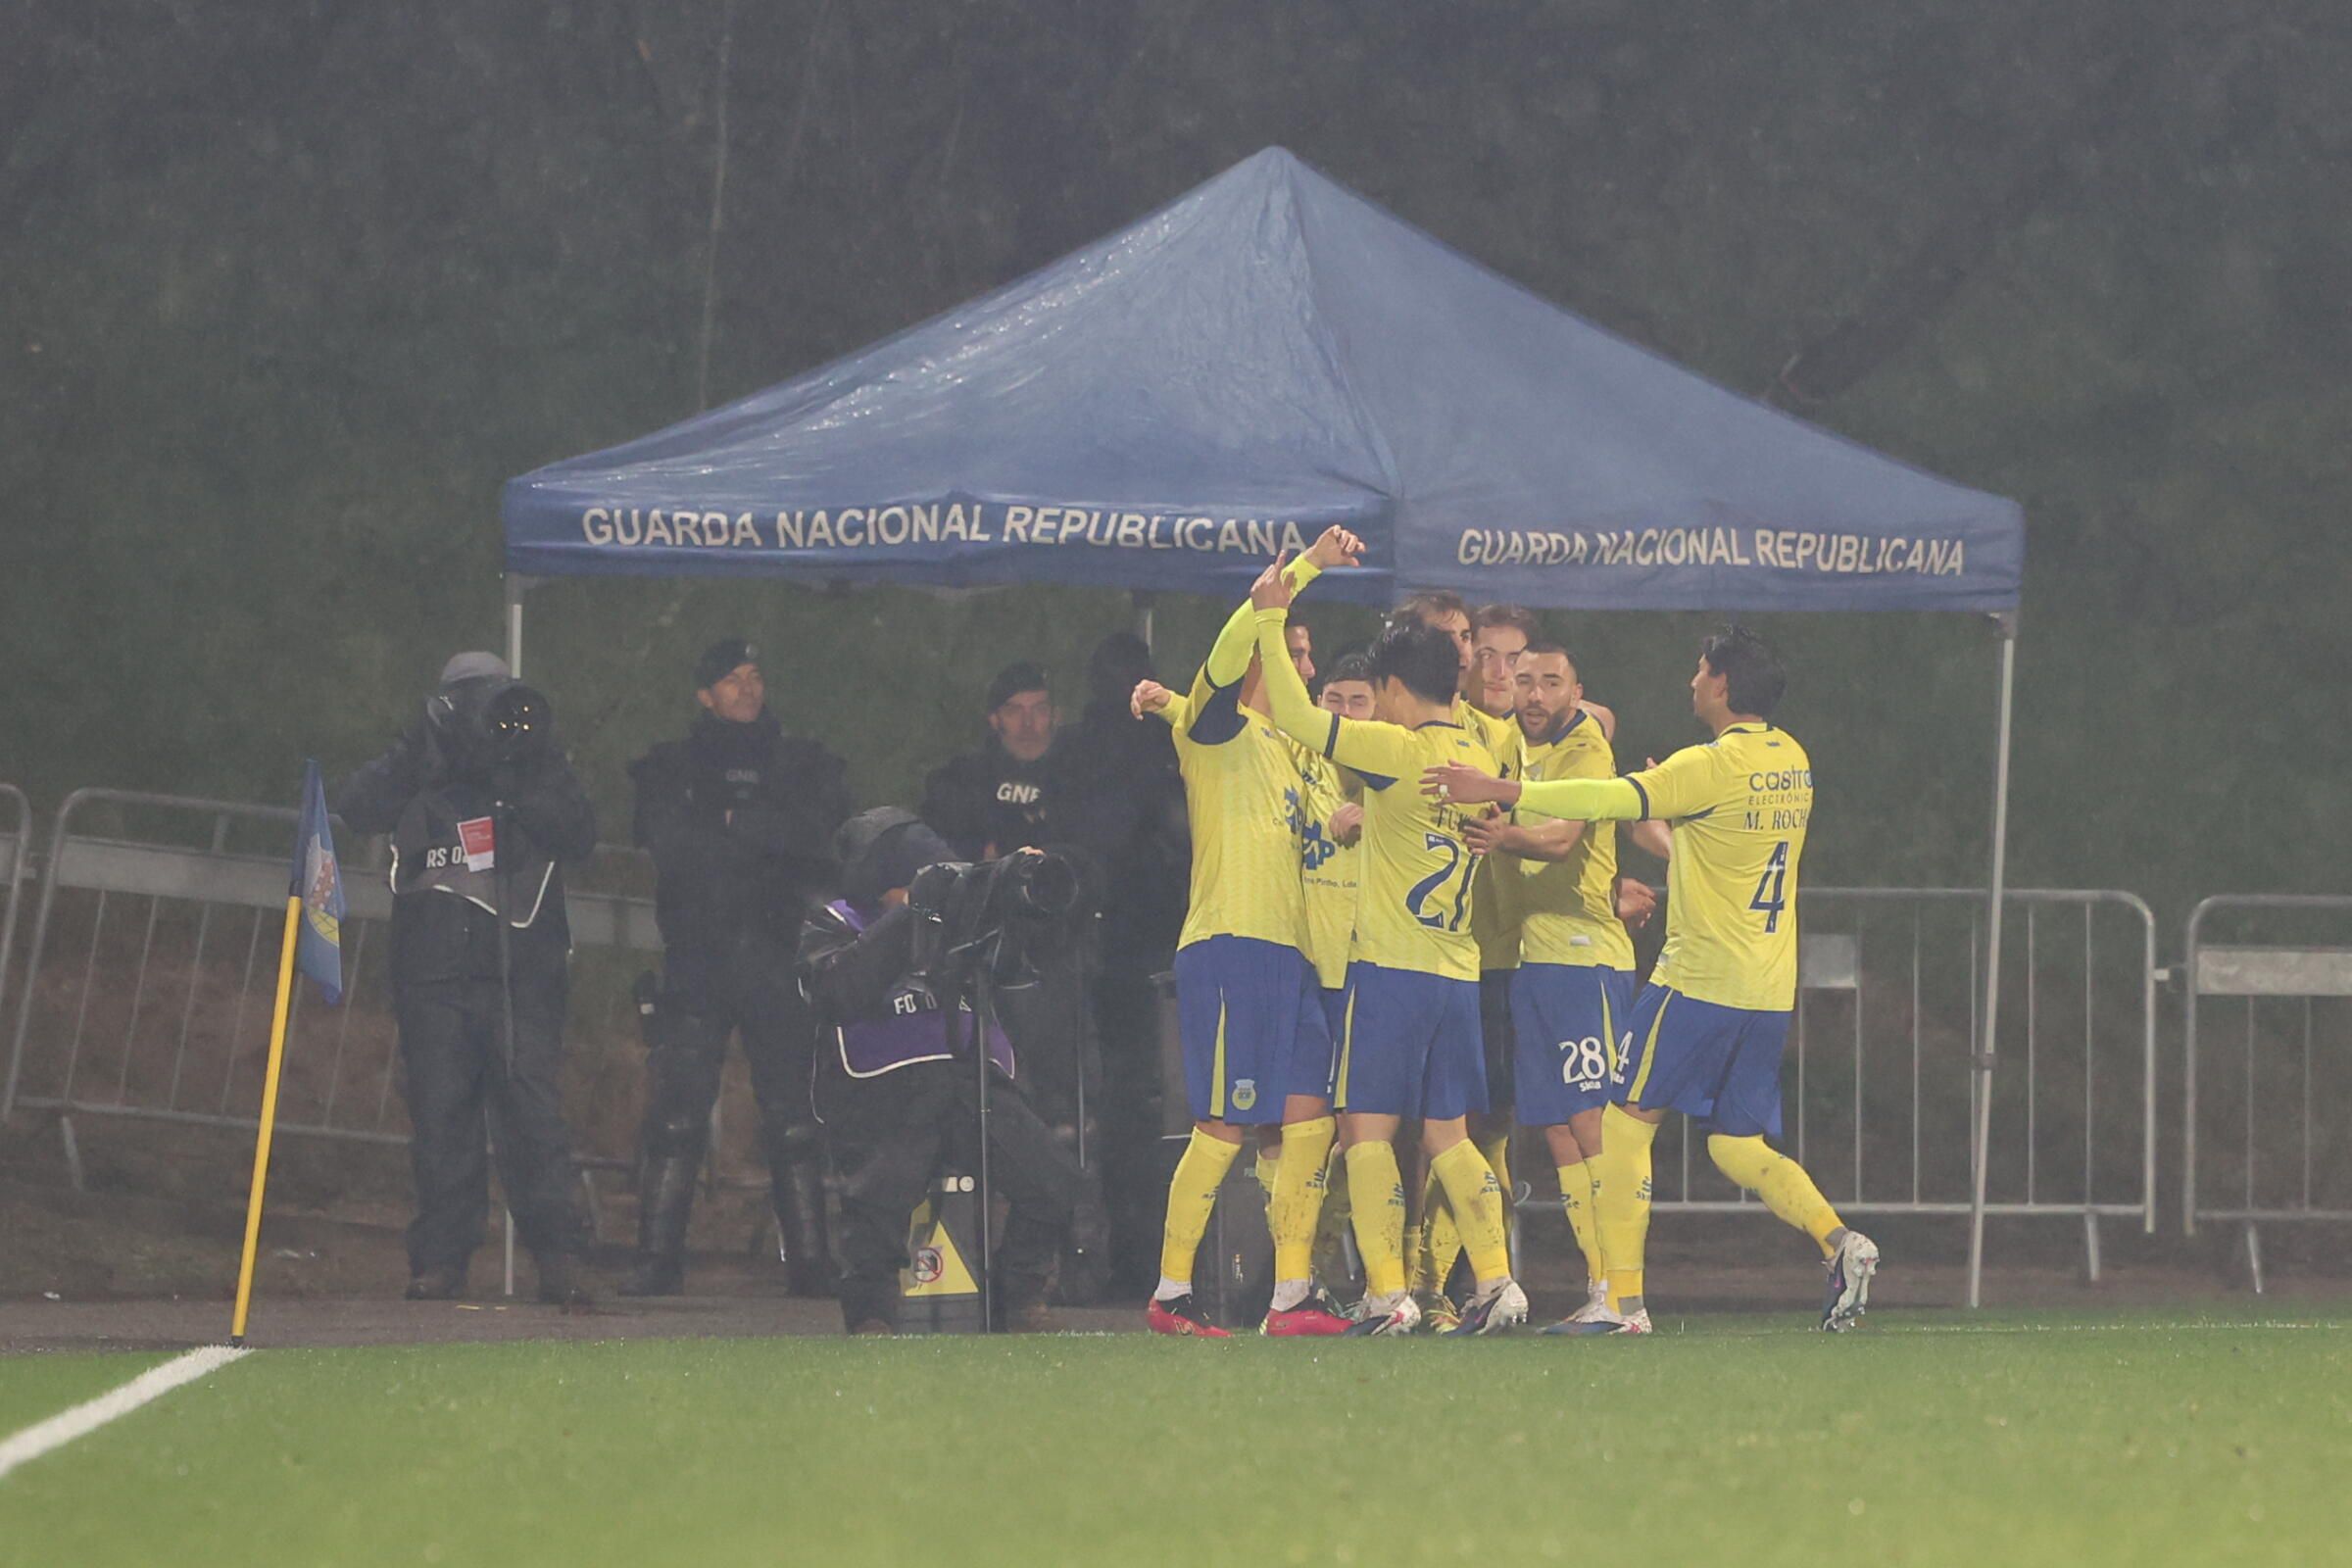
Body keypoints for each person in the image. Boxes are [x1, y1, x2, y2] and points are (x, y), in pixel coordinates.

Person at [1423, 625, 1881, 1334]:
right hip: (1766, 984)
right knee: (1736, 1143)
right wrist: (1665, 832)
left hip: (1698, 978)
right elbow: (1710, 839)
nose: (1691, 682)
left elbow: (1605, 799)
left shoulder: (1710, 764)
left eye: (1700, 672)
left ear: (1723, 684)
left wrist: (1497, 788)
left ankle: (1623, 1303)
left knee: (1622, 1124)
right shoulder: (1793, 758)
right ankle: (1840, 1243)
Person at [1250, 561, 1530, 1337]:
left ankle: (1386, 1296)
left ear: (1398, 689)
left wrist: (1272, 621)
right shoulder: (1474, 759)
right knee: (1448, 1133)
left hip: (1392, 970)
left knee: (1365, 1130)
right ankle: (1499, 1281)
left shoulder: (1396, 750)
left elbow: (1304, 726)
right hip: (1456, 972)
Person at [1132, 527, 1365, 1338]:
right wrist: (1296, 580)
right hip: (1230, 944)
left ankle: (1291, 1295)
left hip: (1292, 953)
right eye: (1294, 650)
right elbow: (1229, 655)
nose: (1307, 666)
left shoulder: (1301, 752)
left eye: (1308, 653)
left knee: (1309, 1120)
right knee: (1225, 1125)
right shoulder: (1216, 726)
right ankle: (1170, 1294)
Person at [336, 652, 597, 1307]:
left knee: (532, 1115)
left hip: (521, 971)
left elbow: (578, 831)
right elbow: (357, 806)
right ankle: (441, 1263)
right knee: (441, 1119)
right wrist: (424, 751)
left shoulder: (537, 760)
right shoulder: (422, 759)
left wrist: (515, 771)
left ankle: (559, 1258)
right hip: (432, 971)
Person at [620, 638, 855, 1297]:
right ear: (705, 695)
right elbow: (671, 845)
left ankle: (810, 1262)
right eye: (731, 680)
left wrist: (737, 826)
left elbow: (821, 839)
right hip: (698, 957)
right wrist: (757, 835)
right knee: (676, 1117)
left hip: (779, 957)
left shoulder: (802, 761)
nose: (748, 688)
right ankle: (657, 1260)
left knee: (794, 1119)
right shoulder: (673, 765)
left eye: (755, 676)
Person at [799, 808, 1085, 1334]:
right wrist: (910, 917)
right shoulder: (835, 922)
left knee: (1054, 1180)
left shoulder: (964, 923)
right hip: (885, 1092)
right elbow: (837, 993)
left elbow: (1027, 971)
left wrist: (1012, 893)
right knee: (879, 1195)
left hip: (968, 1082)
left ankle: (1018, 1297)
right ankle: (871, 1315)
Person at [1458, 641, 1636, 1329]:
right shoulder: (1525, 748)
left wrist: (1500, 836)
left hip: (1584, 955)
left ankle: (1622, 1290)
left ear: (1575, 689)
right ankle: (1604, 1285)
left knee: (1592, 1126)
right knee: (1561, 1130)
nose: (1534, 695)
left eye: (1550, 683)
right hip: (1539, 956)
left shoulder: (1583, 746)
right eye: (1524, 681)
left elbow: (1562, 837)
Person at [922, 660, 1109, 1298]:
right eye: (1016, 709)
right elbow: (944, 860)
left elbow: (1090, 865)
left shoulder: (1079, 777)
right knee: (981, 1111)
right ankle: (959, 1267)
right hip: (975, 969)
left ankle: (1073, 1266)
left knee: (1067, 1116)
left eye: (1040, 707)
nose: (1030, 722)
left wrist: (1040, 866)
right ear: (994, 718)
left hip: (1055, 964)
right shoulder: (961, 780)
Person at [1055, 632, 1190, 1295]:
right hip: (1132, 945)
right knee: (1137, 1107)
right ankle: (1135, 1259)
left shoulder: (1102, 750)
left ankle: (1135, 1259)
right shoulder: (1149, 748)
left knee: (1130, 1109)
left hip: (1128, 945)